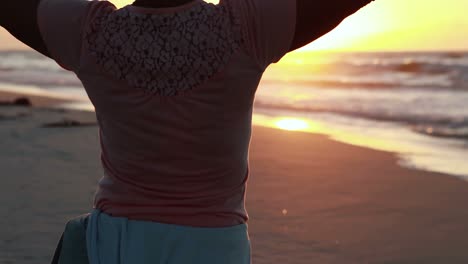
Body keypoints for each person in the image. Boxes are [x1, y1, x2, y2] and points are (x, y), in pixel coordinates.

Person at [1, 0, 375, 263]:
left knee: (76, 238)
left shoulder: (91, 32)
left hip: (114, 245)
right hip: (215, 247)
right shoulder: (247, 27)